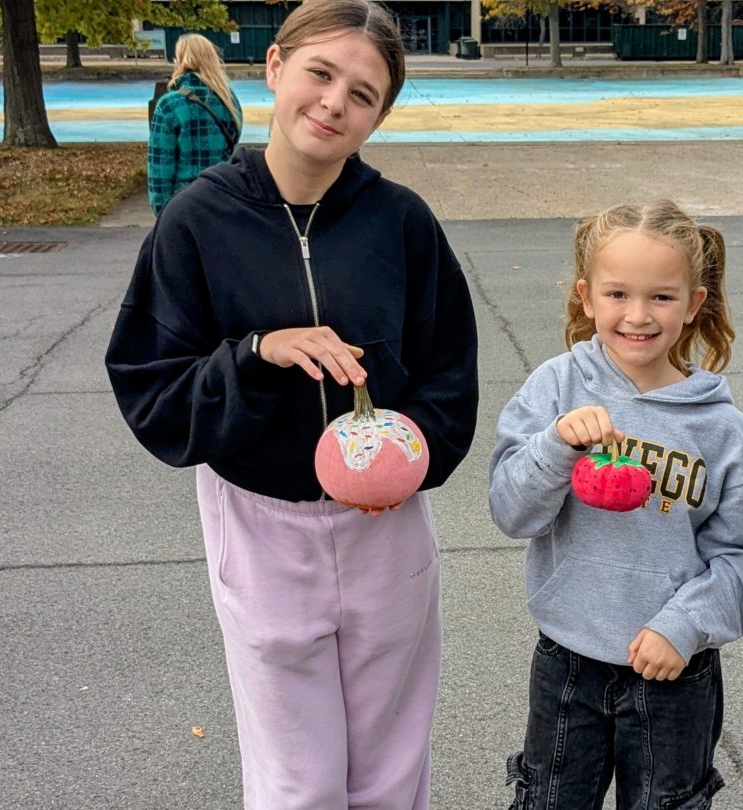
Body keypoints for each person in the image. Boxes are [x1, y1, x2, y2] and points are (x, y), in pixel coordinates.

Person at [105, 1, 479, 807]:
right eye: (321, 73)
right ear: (274, 67)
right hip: (261, 523)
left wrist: (409, 457)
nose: (335, 102)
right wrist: (256, 354)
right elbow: (153, 390)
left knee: (389, 773)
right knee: (296, 782)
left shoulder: (402, 222)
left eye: (364, 93)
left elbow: (449, 377)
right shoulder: (196, 221)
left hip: (386, 528)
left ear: (380, 115)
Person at [489, 200, 743, 808]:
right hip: (567, 656)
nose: (638, 316)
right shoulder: (555, 388)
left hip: (675, 670)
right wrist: (555, 446)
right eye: (617, 294)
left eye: (662, 297)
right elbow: (512, 513)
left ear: (695, 304)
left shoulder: (722, 427)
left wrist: (684, 627)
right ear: (586, 296)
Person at [147, 33, 244, 215]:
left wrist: (162, 214)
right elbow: (231, 144)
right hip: (223, 199)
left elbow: (159, 168)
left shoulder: (169, 105)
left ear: (181, 61)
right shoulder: (229, 101)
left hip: (183, 206)